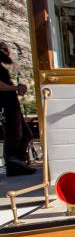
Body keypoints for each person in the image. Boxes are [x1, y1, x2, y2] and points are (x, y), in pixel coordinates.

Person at [0, 41, 35, 176]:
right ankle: (14, 166)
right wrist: (15, 88)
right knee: (14, 136)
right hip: (5, 105)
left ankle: (19, 163)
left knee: (26, 134)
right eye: (4, 49)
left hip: (12, 104)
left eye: (7, 49)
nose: (7, 52)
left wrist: (18, 89)